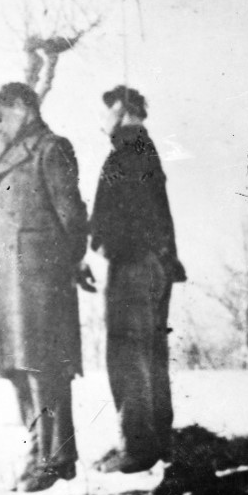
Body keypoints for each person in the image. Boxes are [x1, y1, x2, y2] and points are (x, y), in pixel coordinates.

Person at [0, 82, 94, 493]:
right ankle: (39, 451)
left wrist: (69, 263)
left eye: (2, 114)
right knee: (18, 370)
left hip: (40, 279)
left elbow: (72, 214)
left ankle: (54, 456)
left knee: (42, 367)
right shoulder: (11, 152)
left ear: (24, 107)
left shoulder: (51, 147)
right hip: (9, 280)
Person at [90, 85, 186, 474]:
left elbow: (108, 223)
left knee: (129, 356)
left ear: (123, 110)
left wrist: (99, 242)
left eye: (106, 111)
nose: (102, 121)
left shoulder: (125, 152)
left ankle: (138, 447)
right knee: (150, 355)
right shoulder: (146, 151)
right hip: (156, 265)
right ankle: (155, 441)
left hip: (132, 266)